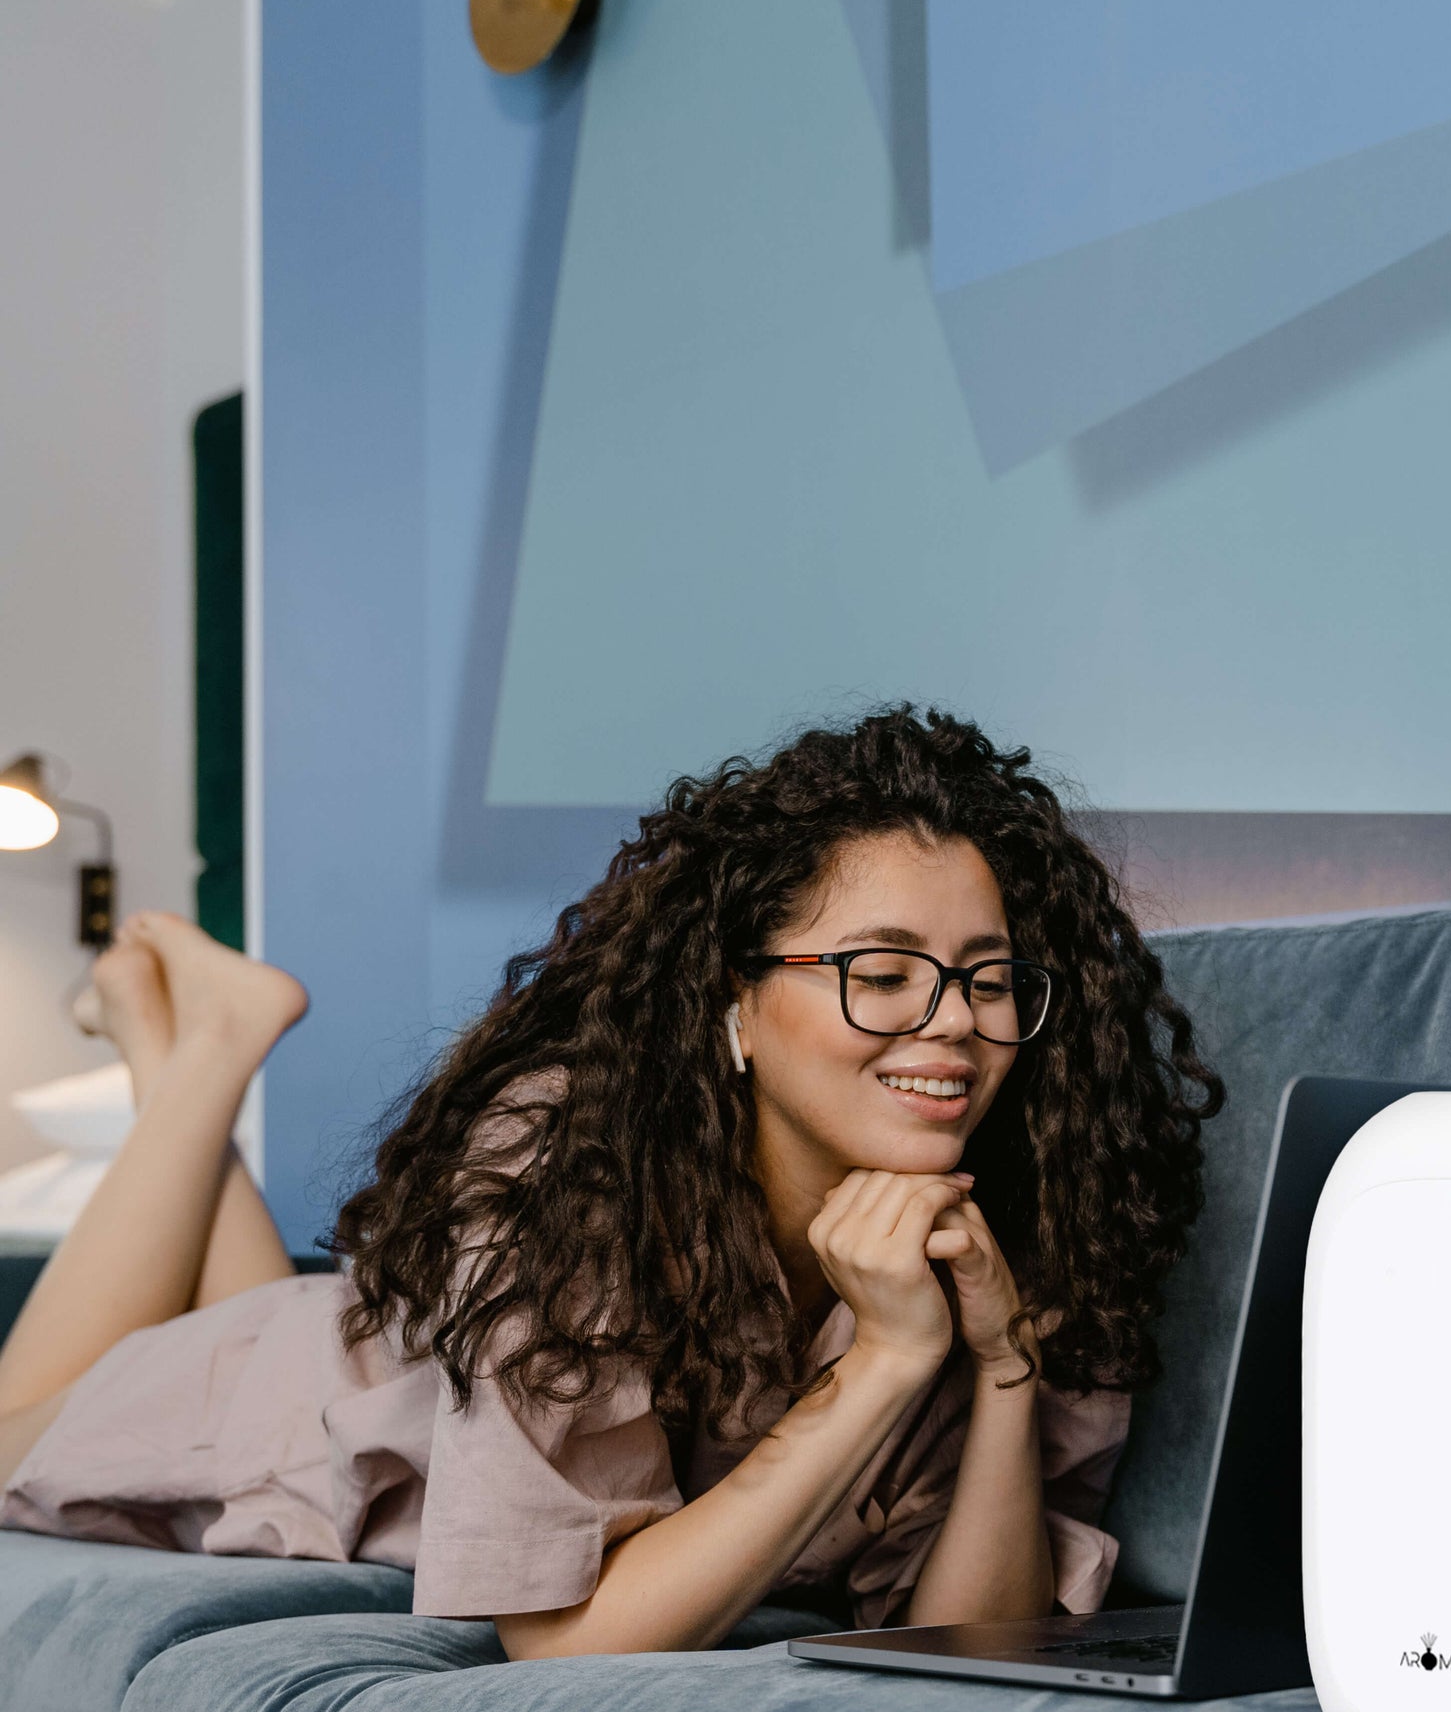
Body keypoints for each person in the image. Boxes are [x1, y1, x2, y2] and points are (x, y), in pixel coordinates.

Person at [0, 706, 1222, 1658]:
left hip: (398, 1367)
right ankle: (205, 1050)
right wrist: (883, 1367)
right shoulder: (569, 1166)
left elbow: (975, 1643)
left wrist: (1003, 1364)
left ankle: (175, 1047)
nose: (950, 1025)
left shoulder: (1031, 1208)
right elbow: (567, 1643)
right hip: (290, 1397)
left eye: (988, 977)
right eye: (881, 970)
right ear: (736, 1004)